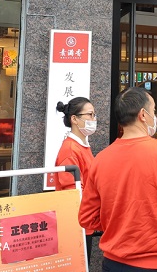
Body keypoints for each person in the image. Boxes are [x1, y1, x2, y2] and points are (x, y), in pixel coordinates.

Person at [79, 86, 157, 272]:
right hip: (156, 263)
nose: (154, 115)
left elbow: (86, 217)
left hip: (111, 262)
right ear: (143, 114)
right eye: (153, 110)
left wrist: (117, 222)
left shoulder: (101, 159)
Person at [55, 97, 96, 264]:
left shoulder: (81, 145)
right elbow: (73, 192)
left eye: (94, 115)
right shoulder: (70, 149)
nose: (94, 119)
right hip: (76, 224)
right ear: (74, 119)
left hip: (84, 221)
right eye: (90, 115)